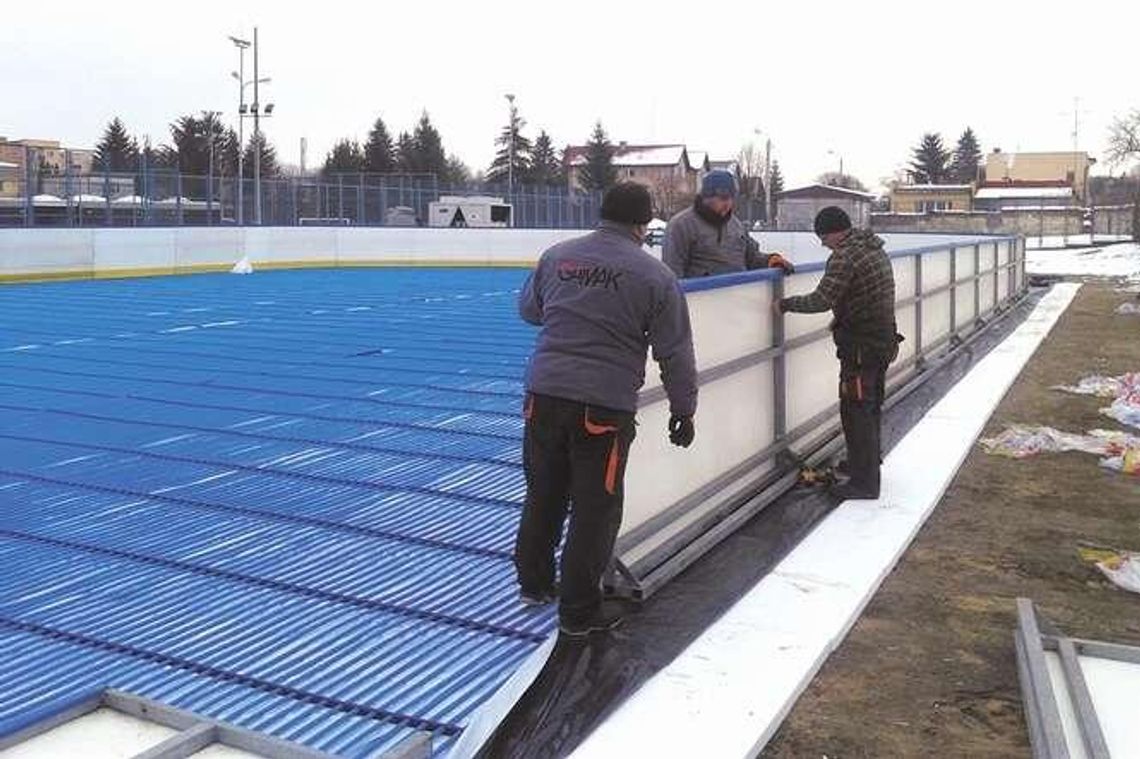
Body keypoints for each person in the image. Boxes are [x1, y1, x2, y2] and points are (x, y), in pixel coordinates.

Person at [516, 182, 698, 637]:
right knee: (595, 508)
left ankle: (534, 583)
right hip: (601, 407)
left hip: (544, 395)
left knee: (544, 493)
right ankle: (578, 612)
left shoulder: (559, 256)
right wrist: (683, 409)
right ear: (643, 224)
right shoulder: (654, 276)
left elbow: (530, 311)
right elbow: (674, 351)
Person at [776, 206, 899, 500]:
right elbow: (866, 295)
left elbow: (821, 299)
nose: (822, 244)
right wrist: (841, 316)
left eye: (822, 237)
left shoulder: (845, 256)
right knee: (869, 406)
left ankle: (864, 483)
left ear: (834, 232)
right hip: (882, 340)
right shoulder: (872, 248)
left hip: (861, 347)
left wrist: (784, 304)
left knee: (856, 409)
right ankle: (864, 464)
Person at [663, 169, 795, 279]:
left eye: (732, 198)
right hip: (702, 303)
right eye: (723, 198)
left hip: (737, 300)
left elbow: (752, 258)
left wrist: (770, 260)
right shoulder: (681, 226)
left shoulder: (735, 225)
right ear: (706, 197)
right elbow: (672, 275)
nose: (728, 204)